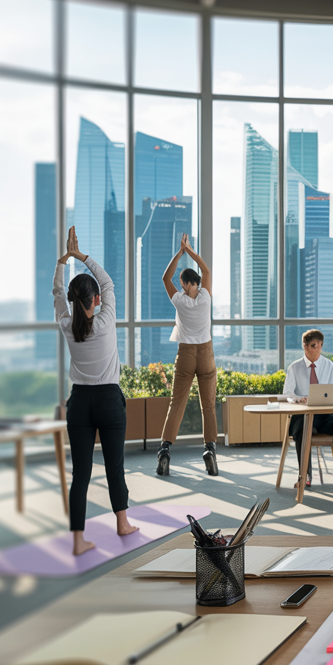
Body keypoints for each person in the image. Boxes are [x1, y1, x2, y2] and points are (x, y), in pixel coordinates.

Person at [53, 226, 139, 556]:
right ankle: (122, 523)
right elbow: (108, 282)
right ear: (96, 300)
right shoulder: (105, 322)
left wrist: (62, 261)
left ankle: (78, 540)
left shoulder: (66, 325)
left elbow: (58, 294)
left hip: (79, 403)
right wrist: (79, 256)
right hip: (107, 401)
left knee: (81, 475)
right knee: (114, 468)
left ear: (75, 301)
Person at [156, 234, 219, 477]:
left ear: (183, 284)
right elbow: (206, 270)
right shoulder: (205, 297)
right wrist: (191, 251)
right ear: (197, 282)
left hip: (185, 355)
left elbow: (165, 277)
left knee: (177, 403)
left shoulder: (180, 300)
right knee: (209, 406)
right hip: (206, 353)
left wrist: (180, 252)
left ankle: (164, 450)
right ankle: (210, 451)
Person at [282, 329, 333, 491]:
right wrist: (299, 399)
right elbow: (287, 394)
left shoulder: (329, 365)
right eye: (314, 345)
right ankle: (304, 475)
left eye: (320, 345)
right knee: (303, 432)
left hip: (325, 415)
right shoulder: (295, 367)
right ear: (305, 346)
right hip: (303, 415)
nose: (318, 349)